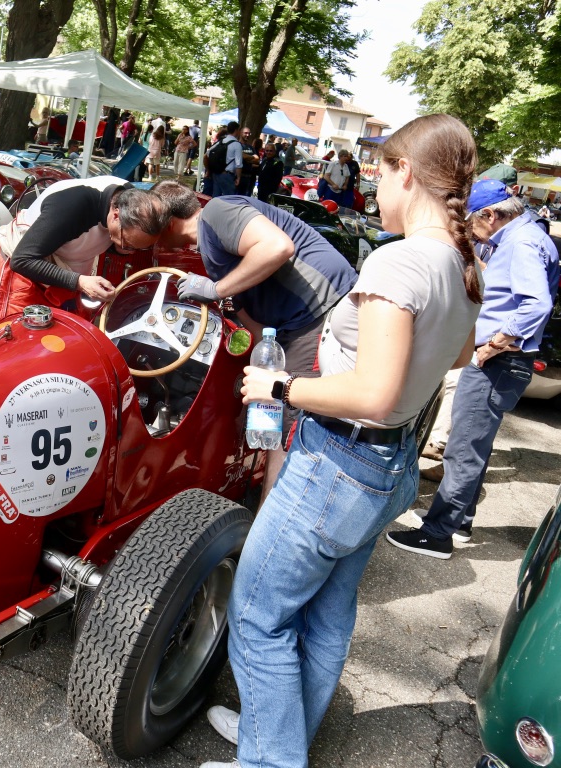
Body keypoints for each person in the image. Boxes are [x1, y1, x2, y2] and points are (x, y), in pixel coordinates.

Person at [199, 113, 483, 768]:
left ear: (404, 172)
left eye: (381, 172)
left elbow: (375, 393)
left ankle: (270, 759)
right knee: (327, 615)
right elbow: (460, 355)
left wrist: (279, 388)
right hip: (389, 465)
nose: (375, 189)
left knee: (259, 614)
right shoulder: (463, 264)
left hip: (339, 464)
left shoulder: (401, 260)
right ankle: (280, 737)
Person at [386, 179, 559, 558]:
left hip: (499, 359)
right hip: (505, 359)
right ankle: (458, 522)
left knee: (463, 450)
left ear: (490, 215)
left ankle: (438, 534)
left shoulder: (523, 243)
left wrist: (496, 343)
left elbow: (536, 305)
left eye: (472, 223)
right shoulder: (525, 236)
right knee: (473, 445)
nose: (470, 230)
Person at [154, 180, 357, 499]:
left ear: (166, 222)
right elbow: (255, 324)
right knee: (274, 411)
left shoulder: (216, 212)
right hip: (290, 326)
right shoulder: (212, 250)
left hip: (320, 312)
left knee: (292, 422)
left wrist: (214, 290)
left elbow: (278, 248)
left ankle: (273, 524)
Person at [0, 178, 169, 323]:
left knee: (68, 340)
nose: (128, 251)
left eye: (137, 248)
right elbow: (22, 260)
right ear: (115, 216)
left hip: (67, 274)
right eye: (127, 244)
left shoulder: (130, 198)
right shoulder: (74, 206)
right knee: (19, 340)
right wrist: (80, 281)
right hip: (24, 271)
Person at [236, 127, 258, 195]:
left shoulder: (251, 147)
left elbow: (257, 160)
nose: (247, 135)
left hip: (248, 178)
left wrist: (245, 158)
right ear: (240, 133)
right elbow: (241, 156)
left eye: (249, 133)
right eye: (245, 133)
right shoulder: (237, 145)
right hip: (237, 177)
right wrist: (251, 158)